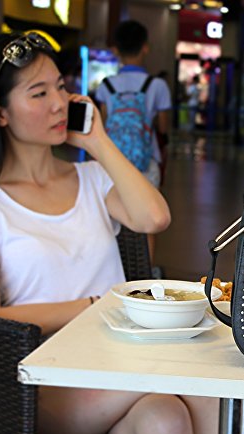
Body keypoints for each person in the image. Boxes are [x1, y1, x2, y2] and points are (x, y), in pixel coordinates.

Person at [0, 32, 218, 434]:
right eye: (39, 93)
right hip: (46, 384)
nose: (59, 103)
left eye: (61, 87)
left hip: (122, 363)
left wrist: (97, 141)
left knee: (166, 423)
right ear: (1, 113)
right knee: (204, 387)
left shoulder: (92, 178)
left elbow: (154, 218)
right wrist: (95, 307)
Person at [95, 20, 171, 260]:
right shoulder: (157, 86)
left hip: (111, 162)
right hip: (146, 161)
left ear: (116, 49)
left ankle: (115, 267)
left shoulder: (106, 86)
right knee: (148, 218)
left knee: (111, 216)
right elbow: (163, 127)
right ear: (145, 47)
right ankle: (145, 271)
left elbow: (102, 125)